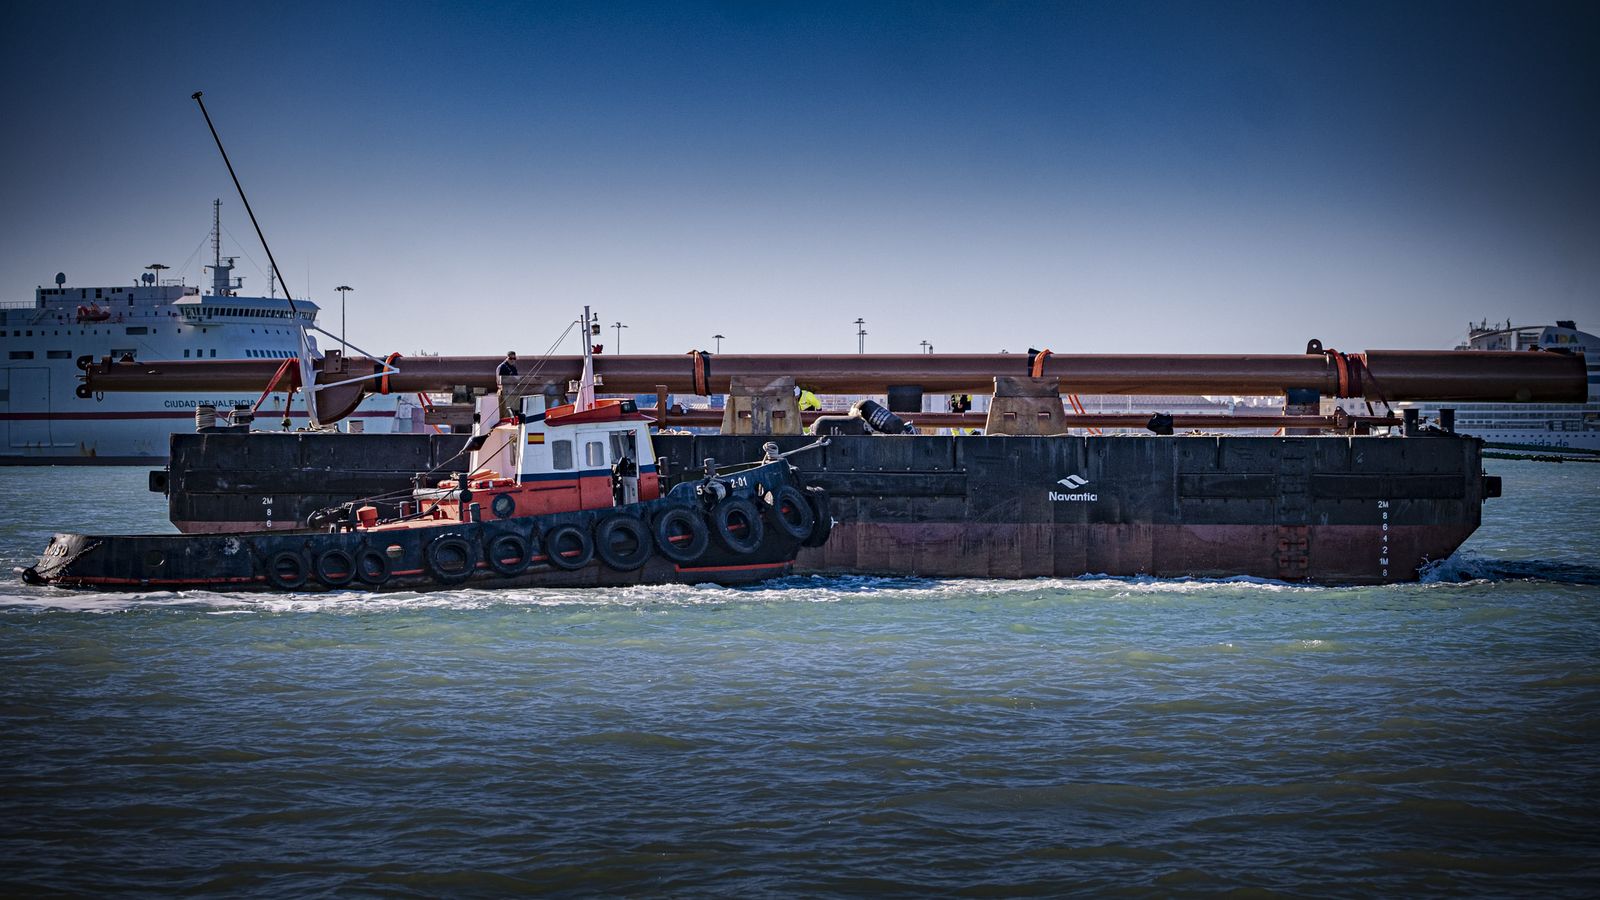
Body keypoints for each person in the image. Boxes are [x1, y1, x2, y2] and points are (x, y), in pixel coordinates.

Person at [496, 351, 518, 420]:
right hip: (505, 392)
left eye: (514, 358)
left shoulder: (513, 368)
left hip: (513, 392)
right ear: (507, 358)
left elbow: (517, 379)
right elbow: (499, 381)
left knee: (514, 409)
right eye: (510, 358)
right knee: (505, 411)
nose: (512, 360)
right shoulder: (502, 367)